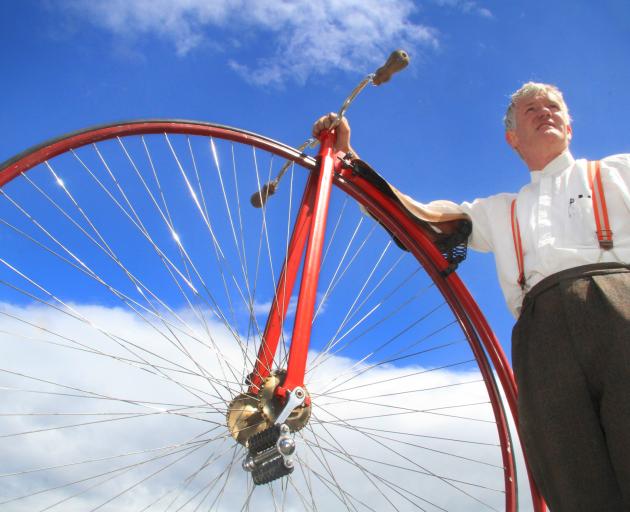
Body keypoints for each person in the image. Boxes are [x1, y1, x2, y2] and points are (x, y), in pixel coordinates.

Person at [313, 83, 630, 511]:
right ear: (512, 137)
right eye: (530, 109)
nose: (545, 112)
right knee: (570, 476)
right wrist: (350, 162)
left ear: (570, 125)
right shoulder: (499, 210)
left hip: (618, 304)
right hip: (542, 337)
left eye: (553, 106)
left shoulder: (618, 171)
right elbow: (421, 220)